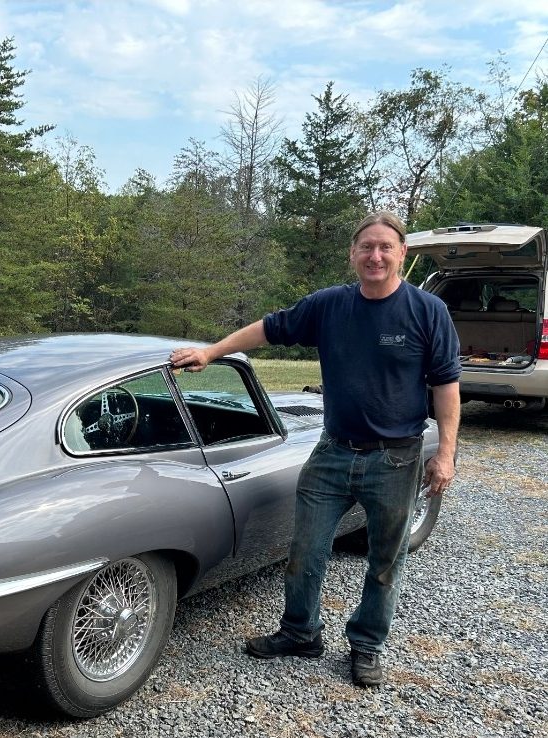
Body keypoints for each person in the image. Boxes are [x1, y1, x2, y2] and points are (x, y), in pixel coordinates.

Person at [169, 211, 460, 688]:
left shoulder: (428, 312)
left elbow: (447, 388)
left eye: (386, 247)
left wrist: (444, 453)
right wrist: (211, 351)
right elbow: (267, 328)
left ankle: (367, 646)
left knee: (385, 560)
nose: (376, 255)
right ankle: (300, 632)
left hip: (397, 457)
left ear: (402, 254)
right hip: (332, 452)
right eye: (367, 247)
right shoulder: (329, 306)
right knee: (305, 548)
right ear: (352, 253)